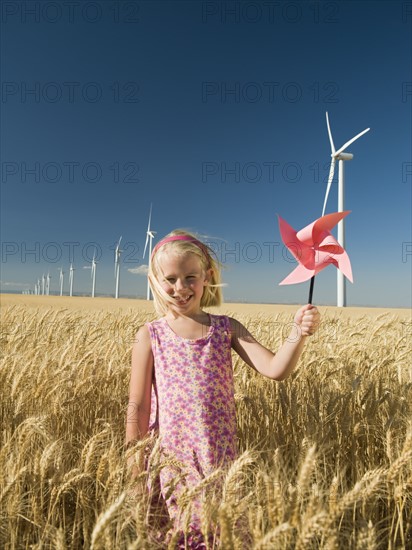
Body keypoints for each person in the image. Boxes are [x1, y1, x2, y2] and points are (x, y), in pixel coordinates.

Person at [125, 229, 320, 546]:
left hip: (219, 465)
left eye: (191, 277)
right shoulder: (150, 335)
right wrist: (135, 467)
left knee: (221, 535)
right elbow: (139, 405)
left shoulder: (226, 328)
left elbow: (275, 369)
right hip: (170, 468)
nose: (181, 287)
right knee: (175, 536)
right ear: (154, 283)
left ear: (207, 277)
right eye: (170, 279)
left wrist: (299, 332)